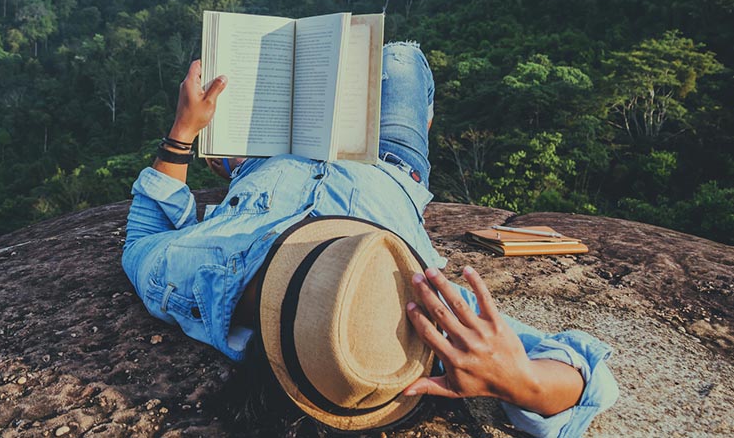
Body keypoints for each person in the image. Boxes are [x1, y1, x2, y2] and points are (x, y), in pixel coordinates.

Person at [122, 43, 618, 436]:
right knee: (402, 58)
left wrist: (183, 131)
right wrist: (522, 383)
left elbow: (141, 239)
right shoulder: (403, 303)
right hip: (387, 160)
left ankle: (234, 163)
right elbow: (586, 377)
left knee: (264, 64)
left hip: (270, 158)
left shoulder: (208, 275)